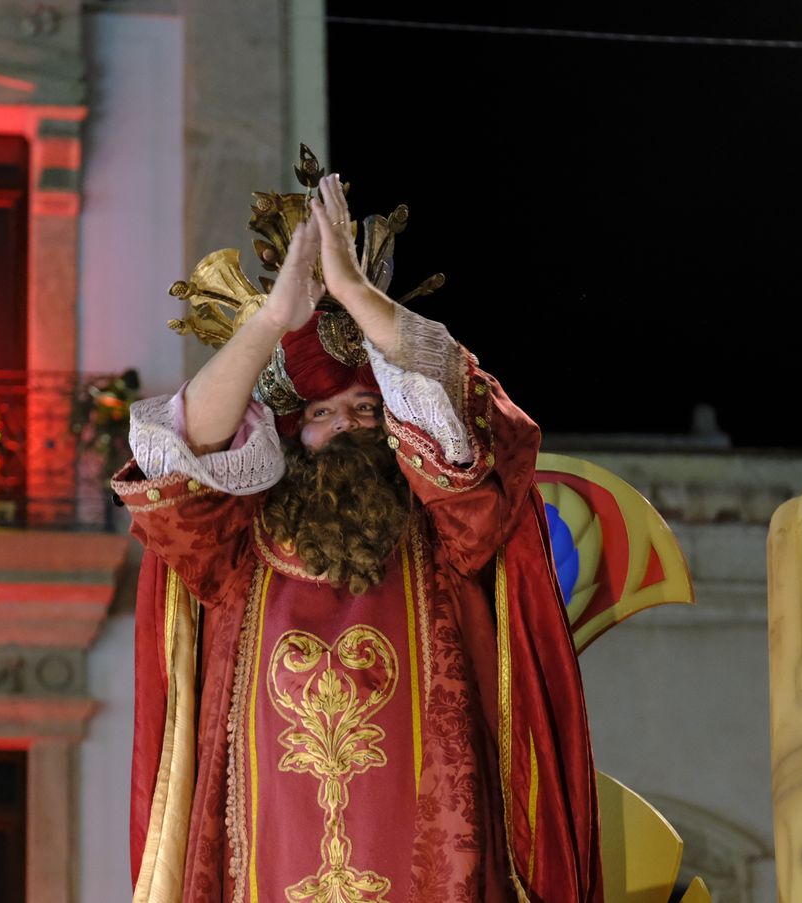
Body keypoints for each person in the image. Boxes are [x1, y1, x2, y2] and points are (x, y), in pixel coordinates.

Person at [116, 173, 602, 902]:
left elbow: (462, 413)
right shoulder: (235, 550)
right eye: (323, 412)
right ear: (284, 436)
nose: (345, 423)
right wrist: (276, 315)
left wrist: (354, 292)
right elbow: (176, 454)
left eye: (368, 410)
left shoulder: (446, 533)